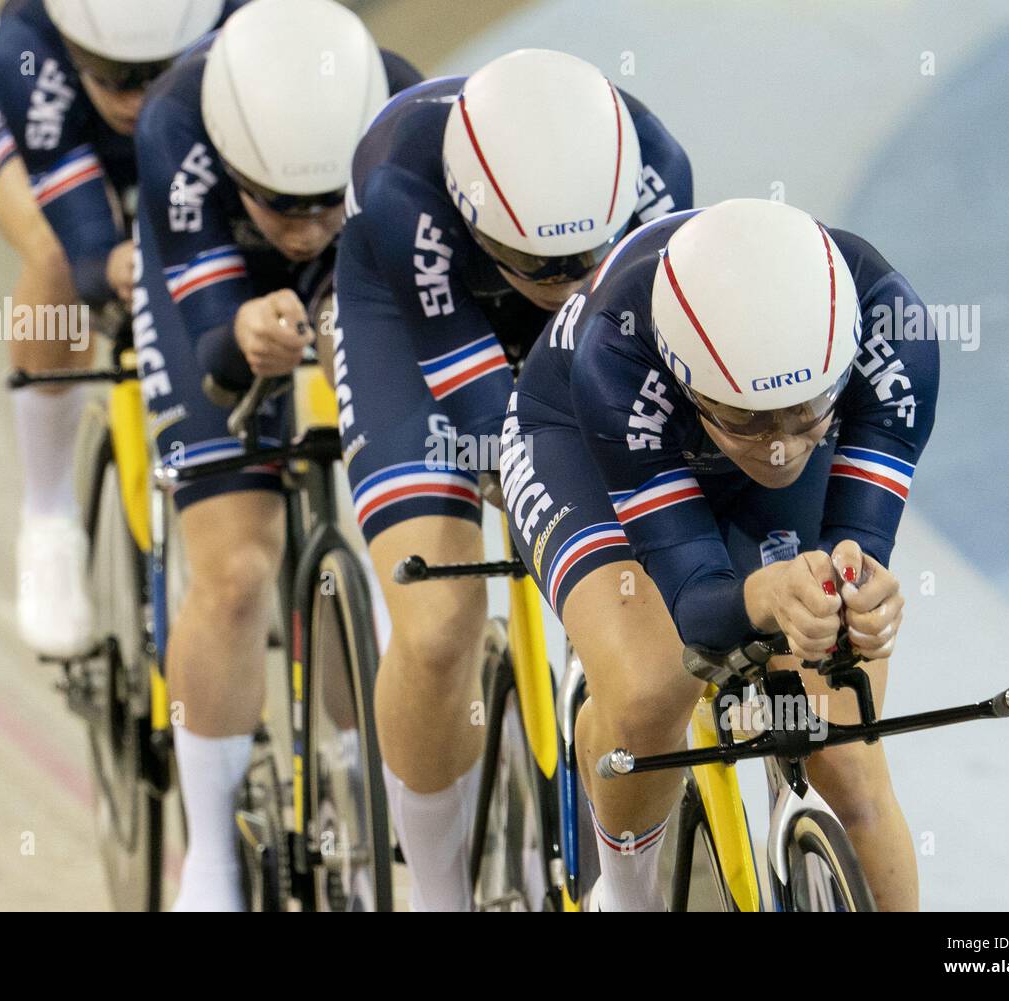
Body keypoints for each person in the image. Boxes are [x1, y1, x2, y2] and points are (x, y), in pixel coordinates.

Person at [500, 197, 939, 910]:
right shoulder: (617, 354)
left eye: (806, 415)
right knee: (649, 688)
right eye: (751, 421)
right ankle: (625, 896)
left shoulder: (899, 334)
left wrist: (864, 598)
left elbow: (855, 548)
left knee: (846, 749)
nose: (782, 445)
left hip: (720, 417)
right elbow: (700, 604)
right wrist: (765, 595)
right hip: (583, 440)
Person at [333, 47, 693, 911]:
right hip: (416, 329)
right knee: (437, 621)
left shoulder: (657, 168)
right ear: (474, 218)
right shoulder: (400, 183)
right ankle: (438, 889)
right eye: (544, 266)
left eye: (589, 259)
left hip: (589, 344)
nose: (570, 283)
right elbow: (491, 418)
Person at [133, 0, 420, 911]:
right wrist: (239, 335)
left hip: (357, 277)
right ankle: (211, 856)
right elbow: (212, 344)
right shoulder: (176, 120)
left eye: (321, 203)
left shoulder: (405, 108)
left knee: (402, 557)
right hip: (217, 284)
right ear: (229, 159)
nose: (300, 228)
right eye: (279, 204)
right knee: (236, 567)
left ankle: (359, 760)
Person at [0, 0, 240, 657]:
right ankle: (48, 516)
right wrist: (106, 261)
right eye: (114, 75)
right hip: (35, 125)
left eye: (155, 72)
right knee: (54, 256)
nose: (136, 96)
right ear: (80, 51)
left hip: (186, 124)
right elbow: (86, 253)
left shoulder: (240, 20)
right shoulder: (32, 54)